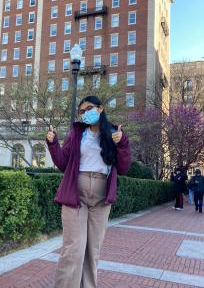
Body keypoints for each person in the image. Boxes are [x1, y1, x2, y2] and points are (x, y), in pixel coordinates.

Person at [46, 95, 131, 288]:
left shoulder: (113, 133)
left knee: (93, 251)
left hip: (101, 198)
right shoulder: (76, 134)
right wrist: (53, 144)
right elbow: (62, 162)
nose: (85, 113)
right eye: (82, 111)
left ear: (100, 109)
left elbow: (124, 168)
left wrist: (123, 143)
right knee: (73, 249)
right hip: (76, 194)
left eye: (89, 108)